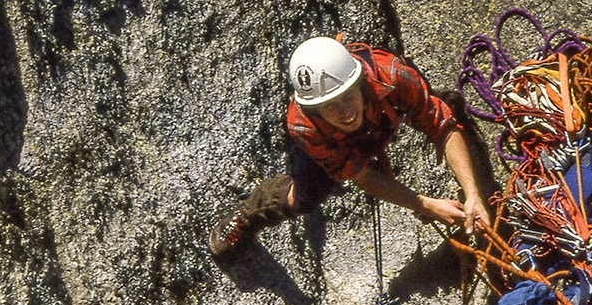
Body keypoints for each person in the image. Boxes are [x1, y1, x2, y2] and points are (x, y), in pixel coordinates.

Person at [209, 36, 492, 259]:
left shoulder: (392, 75)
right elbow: (362, 176)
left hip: (382, 108)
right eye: (329, 106)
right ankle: (247, 215)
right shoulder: (303, 125)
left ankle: (477, 187)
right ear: (313, 109)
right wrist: (426, 205)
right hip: (337, 142)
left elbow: (441, 125)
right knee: (303, 199)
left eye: (346, 97)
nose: (344, 112)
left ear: (359, 82)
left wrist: (472, 194)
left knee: (445, 108)